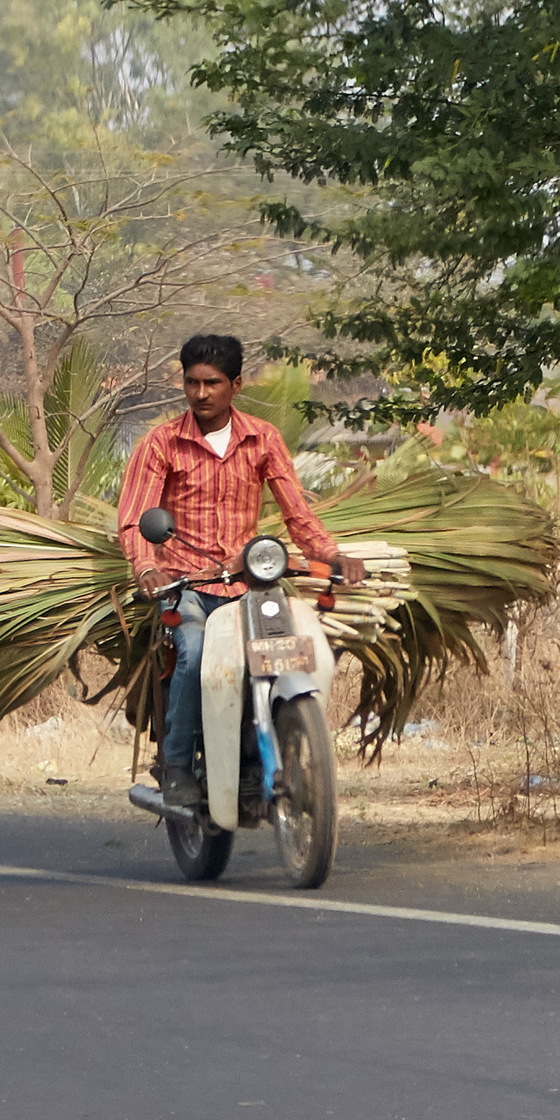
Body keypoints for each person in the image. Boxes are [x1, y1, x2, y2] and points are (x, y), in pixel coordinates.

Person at [114, 335, 365, 810]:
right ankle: (178, 766)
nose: (201, 393)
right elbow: (134, 518)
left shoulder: (263, 438)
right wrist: (146, 566)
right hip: (183, 582)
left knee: (292, 647)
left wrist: (332, 555)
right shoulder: (162, 443)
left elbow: (297, 512)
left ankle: (273, 745)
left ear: (236, 384)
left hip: (247, 581)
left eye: (212, 383)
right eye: (192, 382)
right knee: (193, 651)